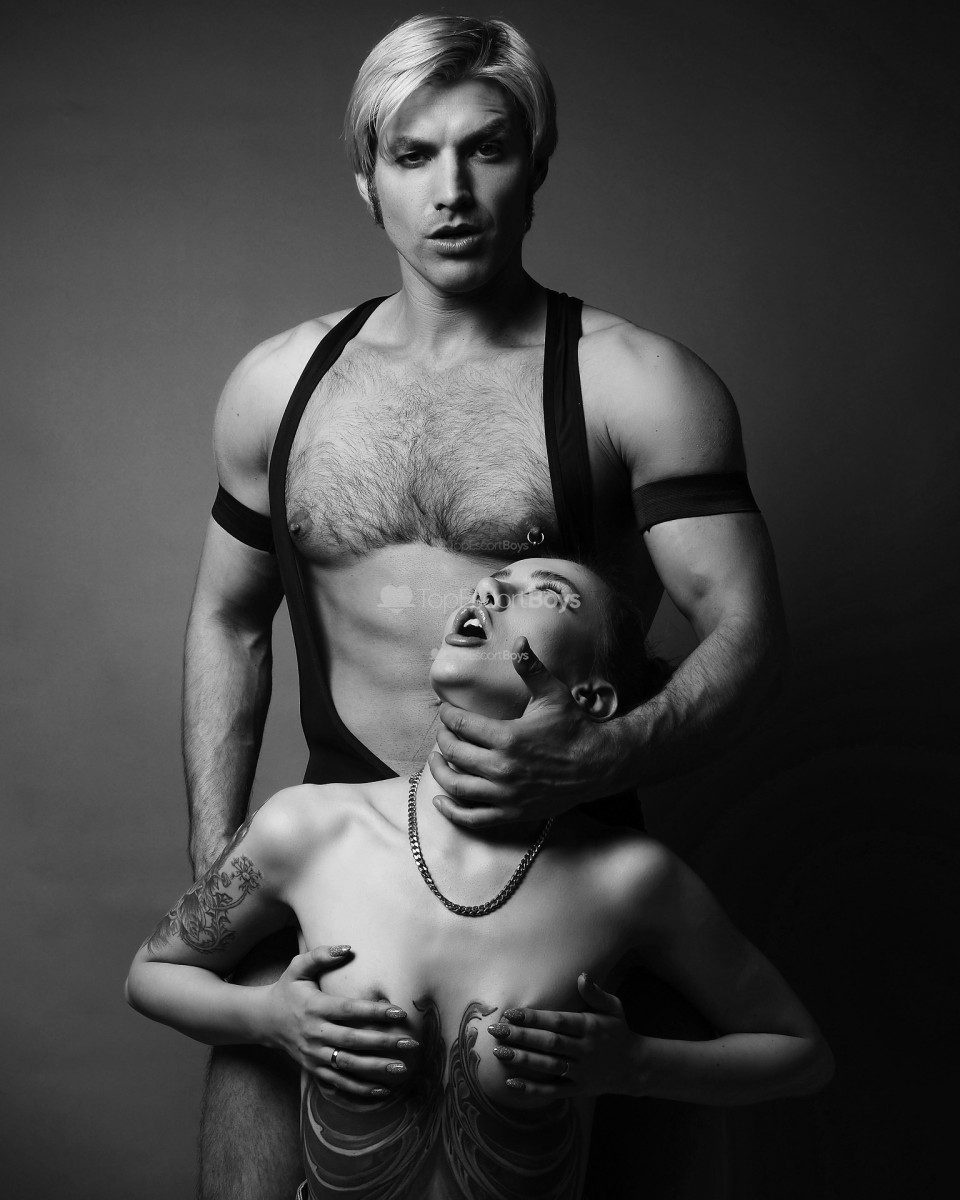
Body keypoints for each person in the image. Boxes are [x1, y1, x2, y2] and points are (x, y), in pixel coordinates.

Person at [184, 14, 788, 1198]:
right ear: (368, 180)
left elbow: (747, 632)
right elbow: (229, 618)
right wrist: (223, 872)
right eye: (414, 155)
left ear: (537, 164)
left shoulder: (636, 384)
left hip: (566, 896)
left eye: (487, 149)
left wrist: (605, 753)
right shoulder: (278, 385)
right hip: (343, 894)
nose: (451, 191)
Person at [133, 559, 829, 1200]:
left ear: (591, 697)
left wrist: (637, 1064)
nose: (489, 590)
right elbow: (152, 974)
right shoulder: (308, 828)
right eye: (491, 583)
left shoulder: (629, 879)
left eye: (546, 593)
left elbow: (801, 1054)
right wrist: (271, 1019)